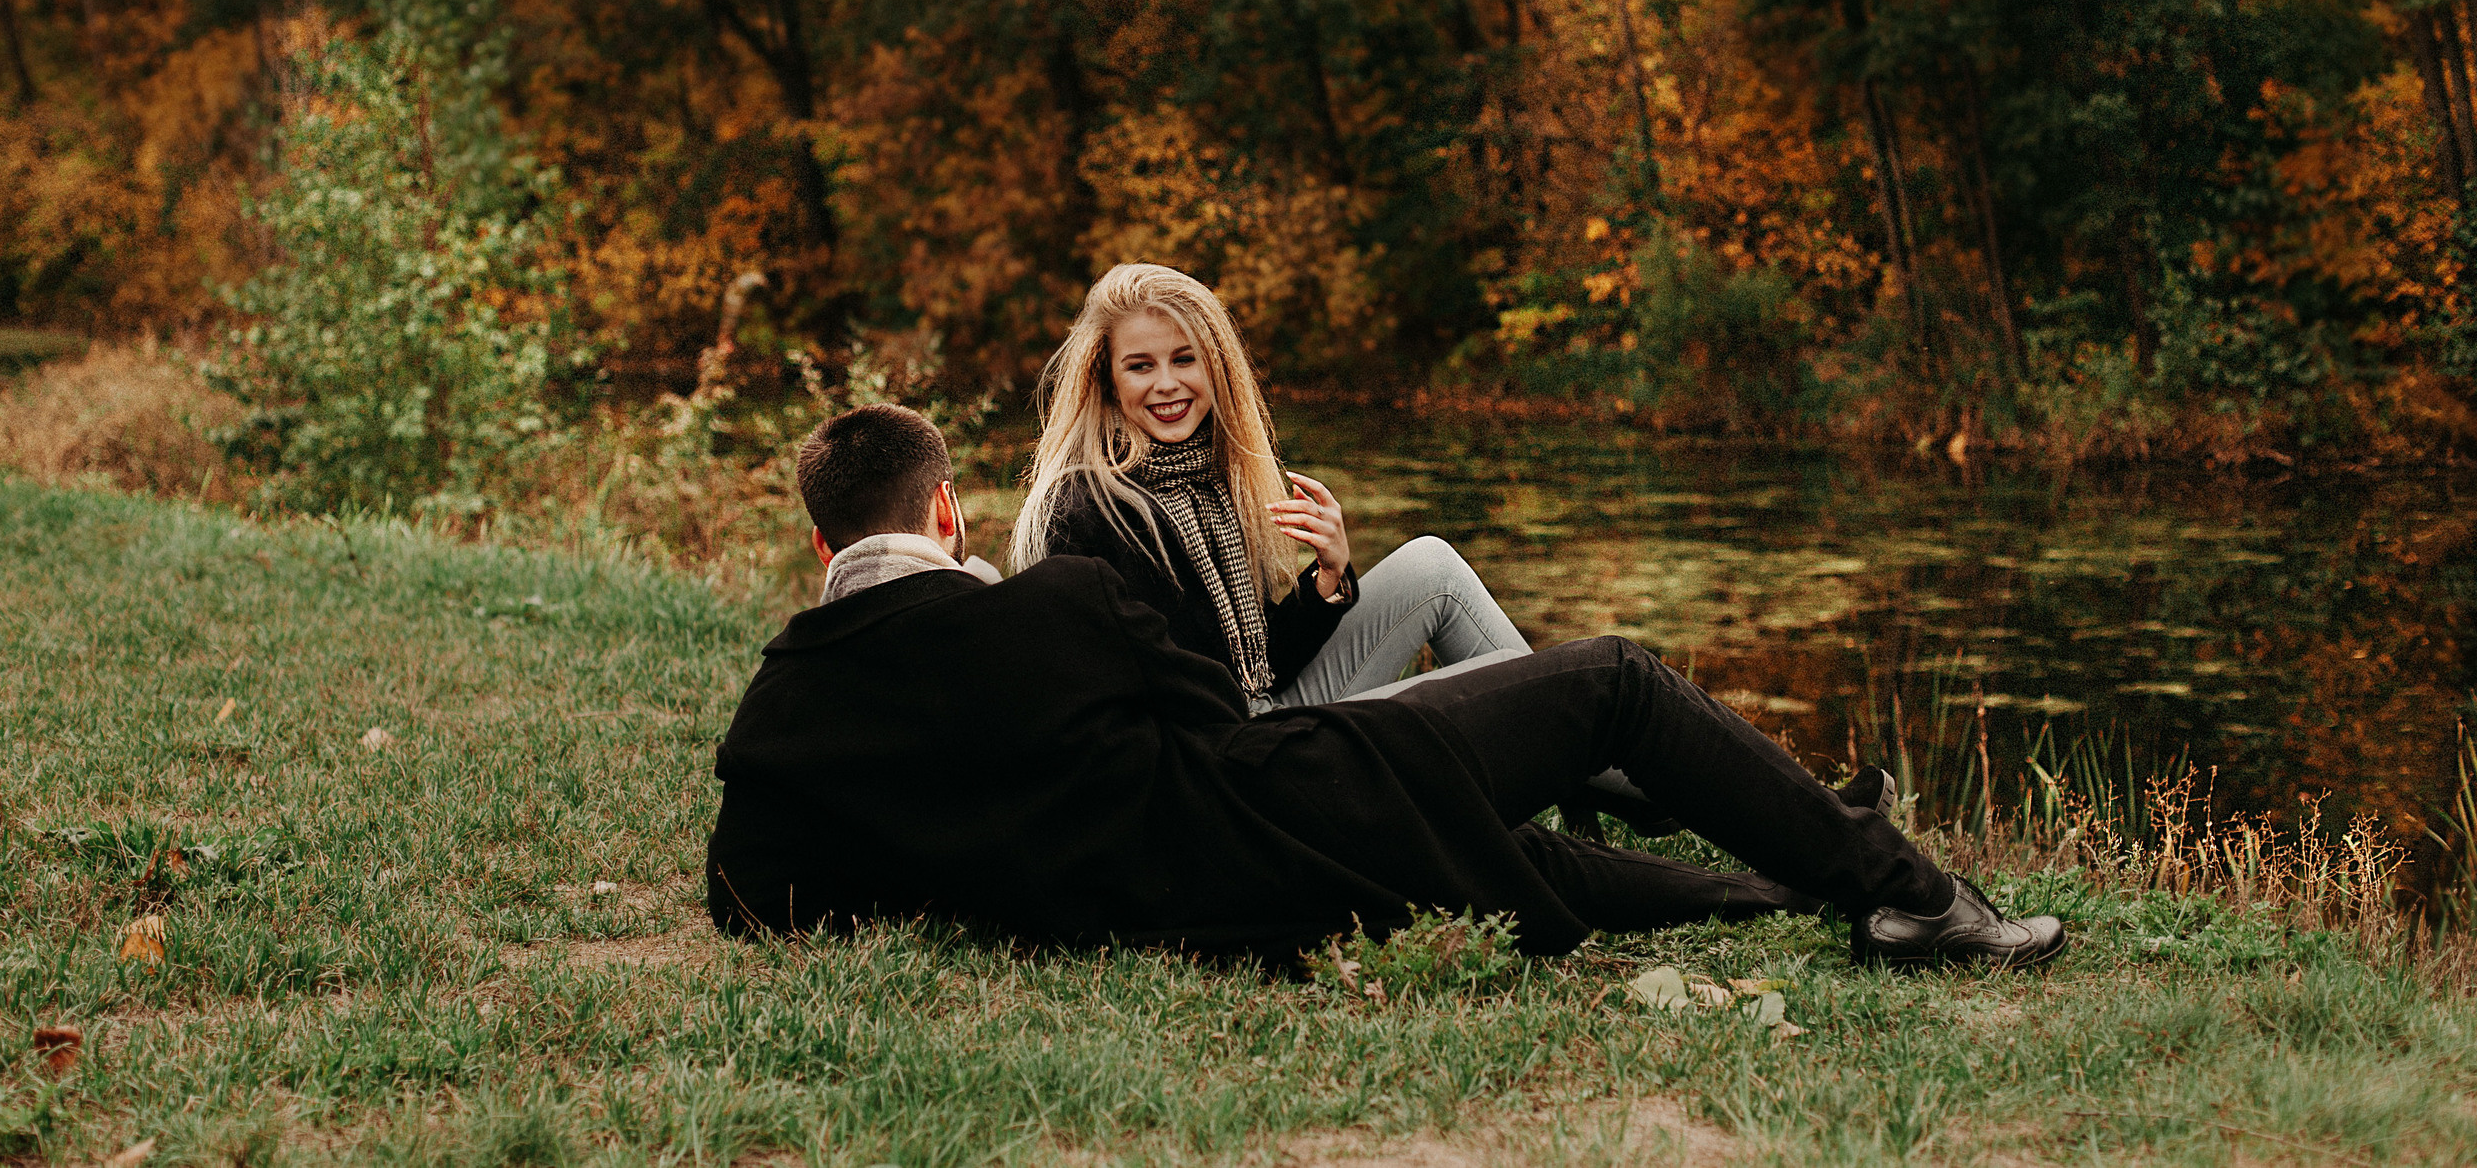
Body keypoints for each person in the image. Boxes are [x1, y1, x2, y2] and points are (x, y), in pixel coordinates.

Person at [703, 404, 2067, 970]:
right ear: (946, 511)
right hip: (1290, 823)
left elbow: (750, 898)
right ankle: (1915, 894)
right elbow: (1212, 723)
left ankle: (1801, 884)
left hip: (1231, 902)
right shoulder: (1060, 607)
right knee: (1612, 681)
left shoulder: (781, 714)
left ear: (822, 545)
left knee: (1507, 851)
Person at [1007, 262, 1543, 710]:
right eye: (1141, 366)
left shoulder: (1206, 484)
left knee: (1433, 566)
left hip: (1263, 715)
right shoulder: (1082, 509)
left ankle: (1578, 737)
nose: (1167, 383)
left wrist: (1327, 575)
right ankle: (1581, 742)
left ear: (1217, 368)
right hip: (1231, 761)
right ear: (1107, 379)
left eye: (1185, 358)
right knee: (1511, 699)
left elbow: (1267, 665)